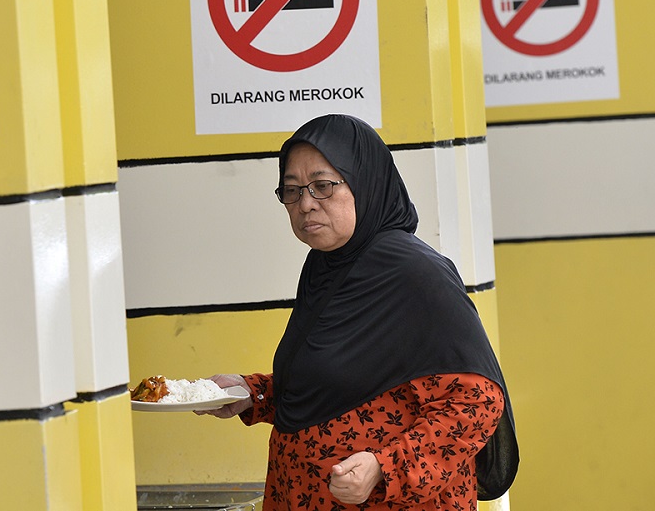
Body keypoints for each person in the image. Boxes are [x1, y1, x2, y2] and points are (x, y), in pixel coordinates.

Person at [199, 114, 518, 510]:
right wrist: (252, 393)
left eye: (322, 186)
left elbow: (477, 402)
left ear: (365, 182)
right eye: (292, 190)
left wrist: (385, 467)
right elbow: (336, 386)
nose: (305, 204)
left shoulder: (415, 274)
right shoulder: (326, 267)